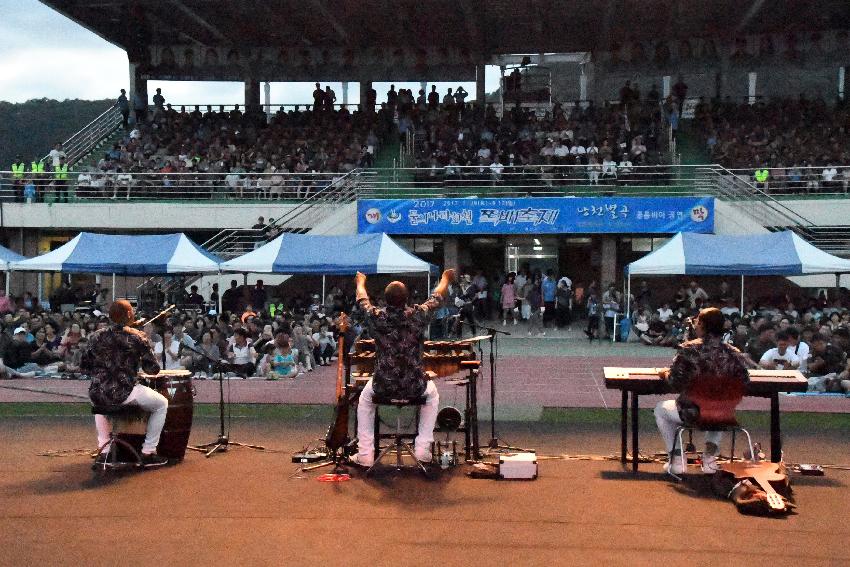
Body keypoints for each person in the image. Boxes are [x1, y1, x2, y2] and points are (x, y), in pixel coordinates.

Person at [352, 268, 454, 467]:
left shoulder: (376, 316)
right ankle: (423, 450)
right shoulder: (418, 315)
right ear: (407, 299)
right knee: (432, 396)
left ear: (385, 300)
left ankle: (365, 453)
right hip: (414, 385)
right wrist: (445, 279)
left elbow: (362, 300)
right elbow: (437, 297)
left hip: (383, 385)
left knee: (364, 401)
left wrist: (360, 282)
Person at [654, 308, 749, 476]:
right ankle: (710, 459)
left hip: (693, 413)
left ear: (702, 326)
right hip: (724, 414)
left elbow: (675, 383)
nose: (695, 325)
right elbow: (744, 381)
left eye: (697, 321)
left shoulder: (689, 350)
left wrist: (665, 374)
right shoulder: (734, 353)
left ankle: (676, 460)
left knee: (660, 410)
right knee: (718, 406)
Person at [82, 299, 169, 468]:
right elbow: (153, 369)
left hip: (97, 390)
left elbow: (85, 365)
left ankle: (104, 450)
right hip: (124, 391)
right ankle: (148, 452)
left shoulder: (95, 337)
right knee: (162, 404)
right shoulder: (137, 337)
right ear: (129, 315)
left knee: (100, 400)